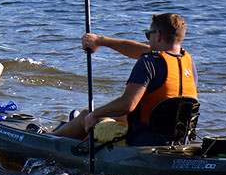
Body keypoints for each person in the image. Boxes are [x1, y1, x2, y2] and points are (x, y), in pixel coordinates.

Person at [52, 13, 197, 146]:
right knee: (119, 117)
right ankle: (78, 129)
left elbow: (128, 105)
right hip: (177, 140)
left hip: (140, 141)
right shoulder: (188, 64)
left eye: (148, 35)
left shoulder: (148, 63)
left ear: (158, 35)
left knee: (87, 114)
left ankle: (49, 139)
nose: (148, 39)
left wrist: (95, 114)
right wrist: (100, 41)